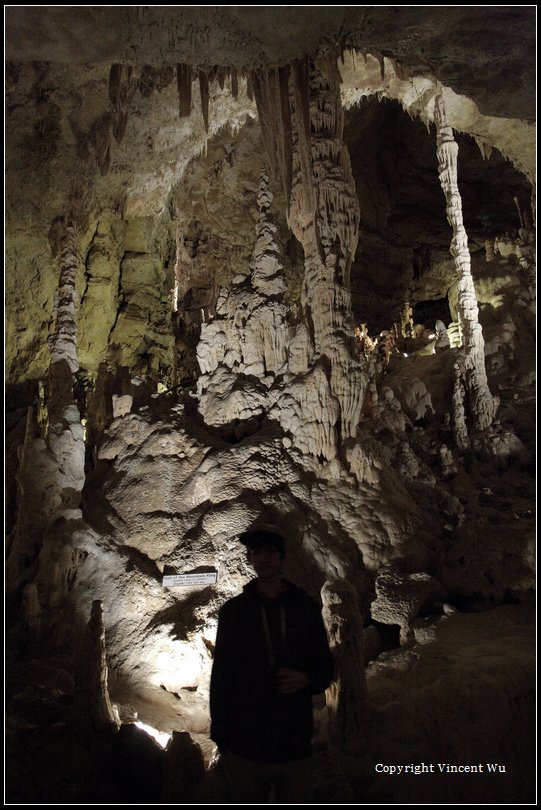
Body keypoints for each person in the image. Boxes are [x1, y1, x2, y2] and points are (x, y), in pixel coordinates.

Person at [209, 528, 335, 803]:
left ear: (281, 558)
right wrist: (221, 737)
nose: (263, 558)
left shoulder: (305, 608)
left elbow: (325, 665)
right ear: (249, 559)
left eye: (270, 552)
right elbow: (222, 677)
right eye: (256, 552)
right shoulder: (234, 612)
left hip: (293, 740)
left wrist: (307, 678)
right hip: (246, 743)